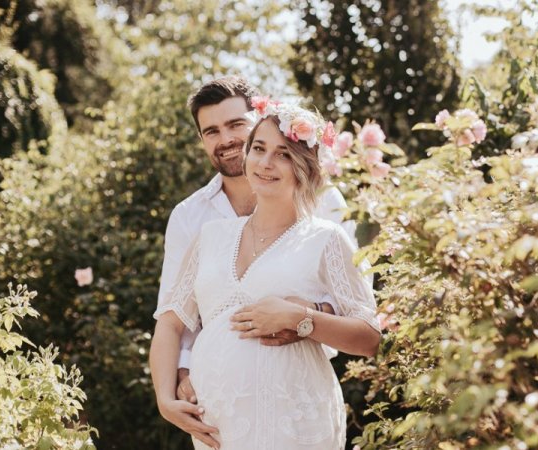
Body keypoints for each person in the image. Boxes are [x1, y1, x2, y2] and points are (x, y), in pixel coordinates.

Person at [150, 101, 381, 449]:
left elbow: (370, 337)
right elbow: (170, 322)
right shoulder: (211, 237)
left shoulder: (325, 239)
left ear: (304, 168)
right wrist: (165, 400)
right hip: (219, 429)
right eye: (258, 149)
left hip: (296, 423)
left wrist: (302, 318)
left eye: (283, 154)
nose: (266, 163)